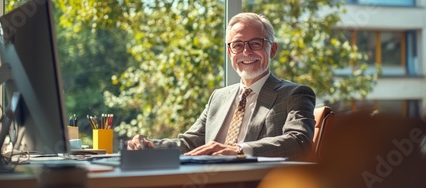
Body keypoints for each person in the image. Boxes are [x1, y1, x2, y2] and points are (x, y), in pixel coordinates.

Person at [127, 12, 316, 161]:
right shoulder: (219, 97)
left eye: (255, 43)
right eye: (237, 45)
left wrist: (238, 150)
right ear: (229, 51)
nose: (246, 52)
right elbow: (190, 143)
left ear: (272, 49)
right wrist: (151, 146)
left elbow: (298, 141)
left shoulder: (295, 94)